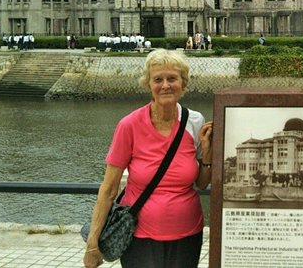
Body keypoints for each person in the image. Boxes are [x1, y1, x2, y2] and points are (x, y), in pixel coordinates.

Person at [83, 49, 213, 268]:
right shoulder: (129, 125)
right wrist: (92, 244)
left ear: (183, 83)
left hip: (187, 234)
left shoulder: (195, 122)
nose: (165, 85)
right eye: (158, 79)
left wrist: (207, 153)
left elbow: (201, 183)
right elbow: (108, 189)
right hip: (138, 235)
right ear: (148, 85)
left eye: (172, 78)